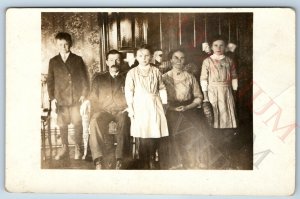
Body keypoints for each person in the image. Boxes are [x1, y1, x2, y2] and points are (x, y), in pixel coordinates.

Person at [125, 45, 169, 169]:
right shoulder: (132, 73)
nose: (144, 58)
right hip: (139, 104)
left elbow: (162, 88)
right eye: (140, 56)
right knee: (143, 133)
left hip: (154, 103)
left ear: (151, 57)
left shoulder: (156, 71)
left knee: (155, 132)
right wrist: (131, 108)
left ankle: (151, 158)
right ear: (136, 57)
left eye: (146, 56)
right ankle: (144, 160)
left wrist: (164, 103)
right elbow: (129, 92)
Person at [47, 32, 89, 160]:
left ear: (70, 44)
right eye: (60, 44)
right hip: (60, 99)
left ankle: (77, 147)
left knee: (77, 122)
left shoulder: (77, 59)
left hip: (76, 98)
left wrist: (83, 94)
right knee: (62, 124)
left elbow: (84, 79)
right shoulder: (53, 61)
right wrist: (52, 98)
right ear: (57, 45)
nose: (63, 47)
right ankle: (64, 147)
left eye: (66, 44)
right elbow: (50, 81)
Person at [161, 49, 206, 169]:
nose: (179, 61)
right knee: (172, 131)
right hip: (170, 110)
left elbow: (199, 97)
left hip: (189, 109)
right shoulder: (164, 78)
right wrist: (172, 108)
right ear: (171, 60)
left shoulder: (190, 77)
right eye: (176, 58)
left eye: (182, 58)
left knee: (195, 128)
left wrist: (187, 107)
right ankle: (176, 163)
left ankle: (192, 162)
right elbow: (160, 99)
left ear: (185, 60)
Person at [200, 35, 239, 168]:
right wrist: (205, 96)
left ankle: (227, 158)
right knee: (214, 124)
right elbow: (203, 80)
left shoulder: (229, 60)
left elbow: (234, 77)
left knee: (227, 126)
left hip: (227, 93)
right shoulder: (207, 61)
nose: (218, 48)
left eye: (221, 45)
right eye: (215, 45)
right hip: (212, 94)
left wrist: (233, 93)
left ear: (225, 47)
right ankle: (215, 160)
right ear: (211, 47)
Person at [88, 50, 129, 170]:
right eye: (111, 60)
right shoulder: (99, 78)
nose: (114, 62)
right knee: (94, 121)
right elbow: (93, 98)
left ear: (120, 62)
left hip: (121, 110)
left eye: (117, 60)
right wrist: (98, 111)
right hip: (104, 111)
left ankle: (120, 159)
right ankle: (98, 160)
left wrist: (126, 108)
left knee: (125, 120)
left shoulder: (127, 77)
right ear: (106, 62)